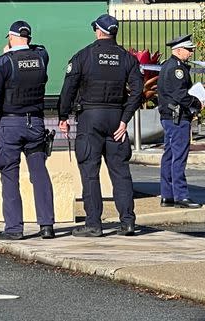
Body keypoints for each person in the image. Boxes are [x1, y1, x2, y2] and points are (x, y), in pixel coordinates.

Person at [58, 14, 143, 237]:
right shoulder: (127, 58)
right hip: (116, 119)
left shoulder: (84, 56)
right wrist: (125, 119)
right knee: (121, 172)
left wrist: (63, 116)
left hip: (90, 119)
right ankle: (128, 222)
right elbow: (138, 91)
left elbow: (68, 88)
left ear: (97, 30)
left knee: (90, 172)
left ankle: (94, 223)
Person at [0, 20, 55, 241]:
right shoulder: (41, 57)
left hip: (11, 124)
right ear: (29, 38)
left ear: (11, 38)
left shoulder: (4, 62)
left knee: (9, 174)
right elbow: (38, 49)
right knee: (39, 173)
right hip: (36, 124)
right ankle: (47, 225)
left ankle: (14, 228)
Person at [157, 34, 204, 209]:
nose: (191, 53)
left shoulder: (169, 66)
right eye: (188, 49)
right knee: (179, 156)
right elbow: (180, 94)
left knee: (169, 155)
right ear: (178, 50)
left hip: (170, 117)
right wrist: (196, 102)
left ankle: (167, 194)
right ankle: (181, 196)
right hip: (177, 117)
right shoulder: (176, 69)